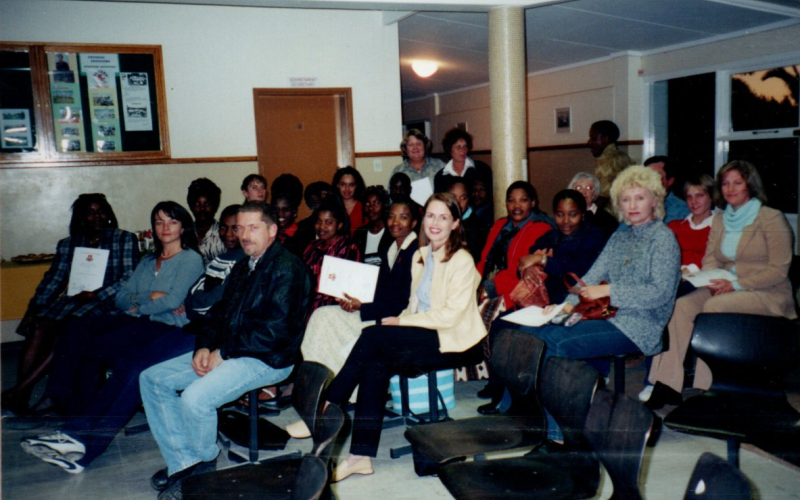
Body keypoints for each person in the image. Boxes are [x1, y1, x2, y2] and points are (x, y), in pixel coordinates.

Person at [139, 202, 313, 496]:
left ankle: (202, 469)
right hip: (235, 350)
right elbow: (218, 313)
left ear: (272, 230)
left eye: (253, 227)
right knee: (152, 379)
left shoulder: (289, 269)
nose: (244, 235)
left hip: (269, 358)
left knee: (195, 398)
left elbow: (274, 333)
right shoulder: (245, 265)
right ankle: (185, 462)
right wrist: (204, 347)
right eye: (239, 228)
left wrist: (224, 352)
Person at [19, 201, 205, 473]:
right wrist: (147, 299)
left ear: (183, 226)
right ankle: (71, 420)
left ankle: (79, 438)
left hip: (167, 327)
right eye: (159, 222)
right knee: (84, 338)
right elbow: (120, 298)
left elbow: (172, 301)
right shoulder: (147, 261)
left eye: (172, 222)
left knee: (123, 364)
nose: (164, 228)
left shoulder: (190, 259)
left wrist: (139, 305)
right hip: (138, 322)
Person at [505, 166, 680, 442]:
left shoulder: (663, 238)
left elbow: (659, 294)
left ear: (655, 200)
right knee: (532, 335)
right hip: (605, 314)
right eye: (626, 199)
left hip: (639, 324)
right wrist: (564, 306)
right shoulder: (621, 235)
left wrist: (609, 290)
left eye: (640, 198)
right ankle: (529, 416)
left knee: (555, 343)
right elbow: (589, 279)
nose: (632, 205)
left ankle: (557, 435)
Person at [324, 193, 486, 482]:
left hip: (455, 339)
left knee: (373, 336)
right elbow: (413, 303)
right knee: (376, 363)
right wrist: (402, 321)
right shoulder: (422, 256)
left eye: (443, 217)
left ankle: (328, 404)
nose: (435, 223)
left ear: (455, 223)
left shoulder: (462, 260)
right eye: (431, 216)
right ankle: (359, 457)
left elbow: (450, 316)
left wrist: (401, 322)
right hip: (424, 333)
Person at [645, 161, 796, 410]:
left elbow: (779, 270)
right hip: (723, 285)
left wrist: (736, 285)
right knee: (681, 307)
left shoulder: (771, 218)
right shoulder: (721, 220)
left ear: (750, 185)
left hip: (765, 292)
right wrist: (707, 279)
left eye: (737, 182)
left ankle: (709, 388)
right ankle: (667, 385)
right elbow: (712, 259)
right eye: (725, 183)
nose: (730, 188)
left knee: (714, 307)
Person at [286, 200, 421, 439]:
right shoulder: (392, 248)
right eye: (391, 216)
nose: (395, 222)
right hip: (378, 310)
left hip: (398, 321)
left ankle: (327, 405)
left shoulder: (415, 252)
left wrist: (363, 307)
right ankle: (317, 398)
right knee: (321, 316)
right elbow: (382, 292)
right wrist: (357, 300)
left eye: (403, 217)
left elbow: (401, 302)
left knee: (341, 329)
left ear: (414, 222)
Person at [2, 194, 140, 416]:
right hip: (74, 300)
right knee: (38, 328)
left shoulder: (123, 239)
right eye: (90, 211)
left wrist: (98, 294)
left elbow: (129, 278)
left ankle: (19, 391)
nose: (96, 216)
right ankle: (22, 396)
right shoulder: (68, 244)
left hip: (106, 303)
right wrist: (34, 308)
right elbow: (54, 279)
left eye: (101, 210)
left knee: (67, 332)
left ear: (109, 214)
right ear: (81, 217)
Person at [476, 181, 552, 310]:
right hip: (486, 286)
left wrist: (486, 289)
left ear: (532, 203)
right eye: (511, 201)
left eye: (523, 200)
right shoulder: (499, 225)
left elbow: (517, 272)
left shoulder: (540, 228)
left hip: (512, 295)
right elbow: (484, 260)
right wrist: (472, 284)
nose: (516, 206)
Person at [185, 204, 245, 318]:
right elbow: (191, 293)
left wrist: (195, 305)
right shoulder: (219, 259)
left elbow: (214, 302)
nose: (228, 234)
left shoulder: (243, 262)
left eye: (235, 229)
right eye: (223, 227)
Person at [302, 198, 361, 312]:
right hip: (308, 308)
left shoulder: (348, 247)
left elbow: (348, 287)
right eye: (319, 221)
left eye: (328, 222)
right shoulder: (311, 247)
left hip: (335, 309)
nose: (322, 226)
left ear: (339, 225)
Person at [433, 127, 493, 194]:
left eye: (465, 146)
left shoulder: (482, 168)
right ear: (449, 150)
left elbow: (491, 195)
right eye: (458, 147)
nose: (463, 150)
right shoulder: (440, 177)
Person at [587, 120, 634, 201]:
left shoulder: (605, 160)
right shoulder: (623, 156)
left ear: (605, 139)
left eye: (593, 138)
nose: (588, 142)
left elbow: (603, 196)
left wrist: (591, 212)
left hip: (610, 212)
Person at [448, 179, 488, 263]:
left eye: (463, 198)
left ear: (469, 200)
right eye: (453, 197)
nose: (458, 202)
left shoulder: (476, 226)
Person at [568, 171, 618, 238]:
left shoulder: (608, 220)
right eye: (578, 188)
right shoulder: (565, 217)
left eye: (588, 188)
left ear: (594, 193)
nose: (583, 192)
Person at [353, 185, 393, 266]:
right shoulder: (359, 233)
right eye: (367, 203)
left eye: (376, 203)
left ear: (384, 205)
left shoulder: (391, 233)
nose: (371, 208)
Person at [187, 178, 223, 264]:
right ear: (191, 206)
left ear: (215, 206)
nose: (202, 208)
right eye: (197, 204)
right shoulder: (184, 233)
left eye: (207, 204)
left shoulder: (224, 234)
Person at [645, 156, 690, 224]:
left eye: (657, 176)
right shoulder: (634, 205)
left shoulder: (682, 210)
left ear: (670, 181)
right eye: (646, 176)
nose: (650, 181)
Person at [333, 166, 367, 236]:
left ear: (356, 186)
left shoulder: (364, 207)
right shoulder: (332, 207)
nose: (347, 189)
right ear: (337, 185)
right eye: (343, 185)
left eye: (351, 185)